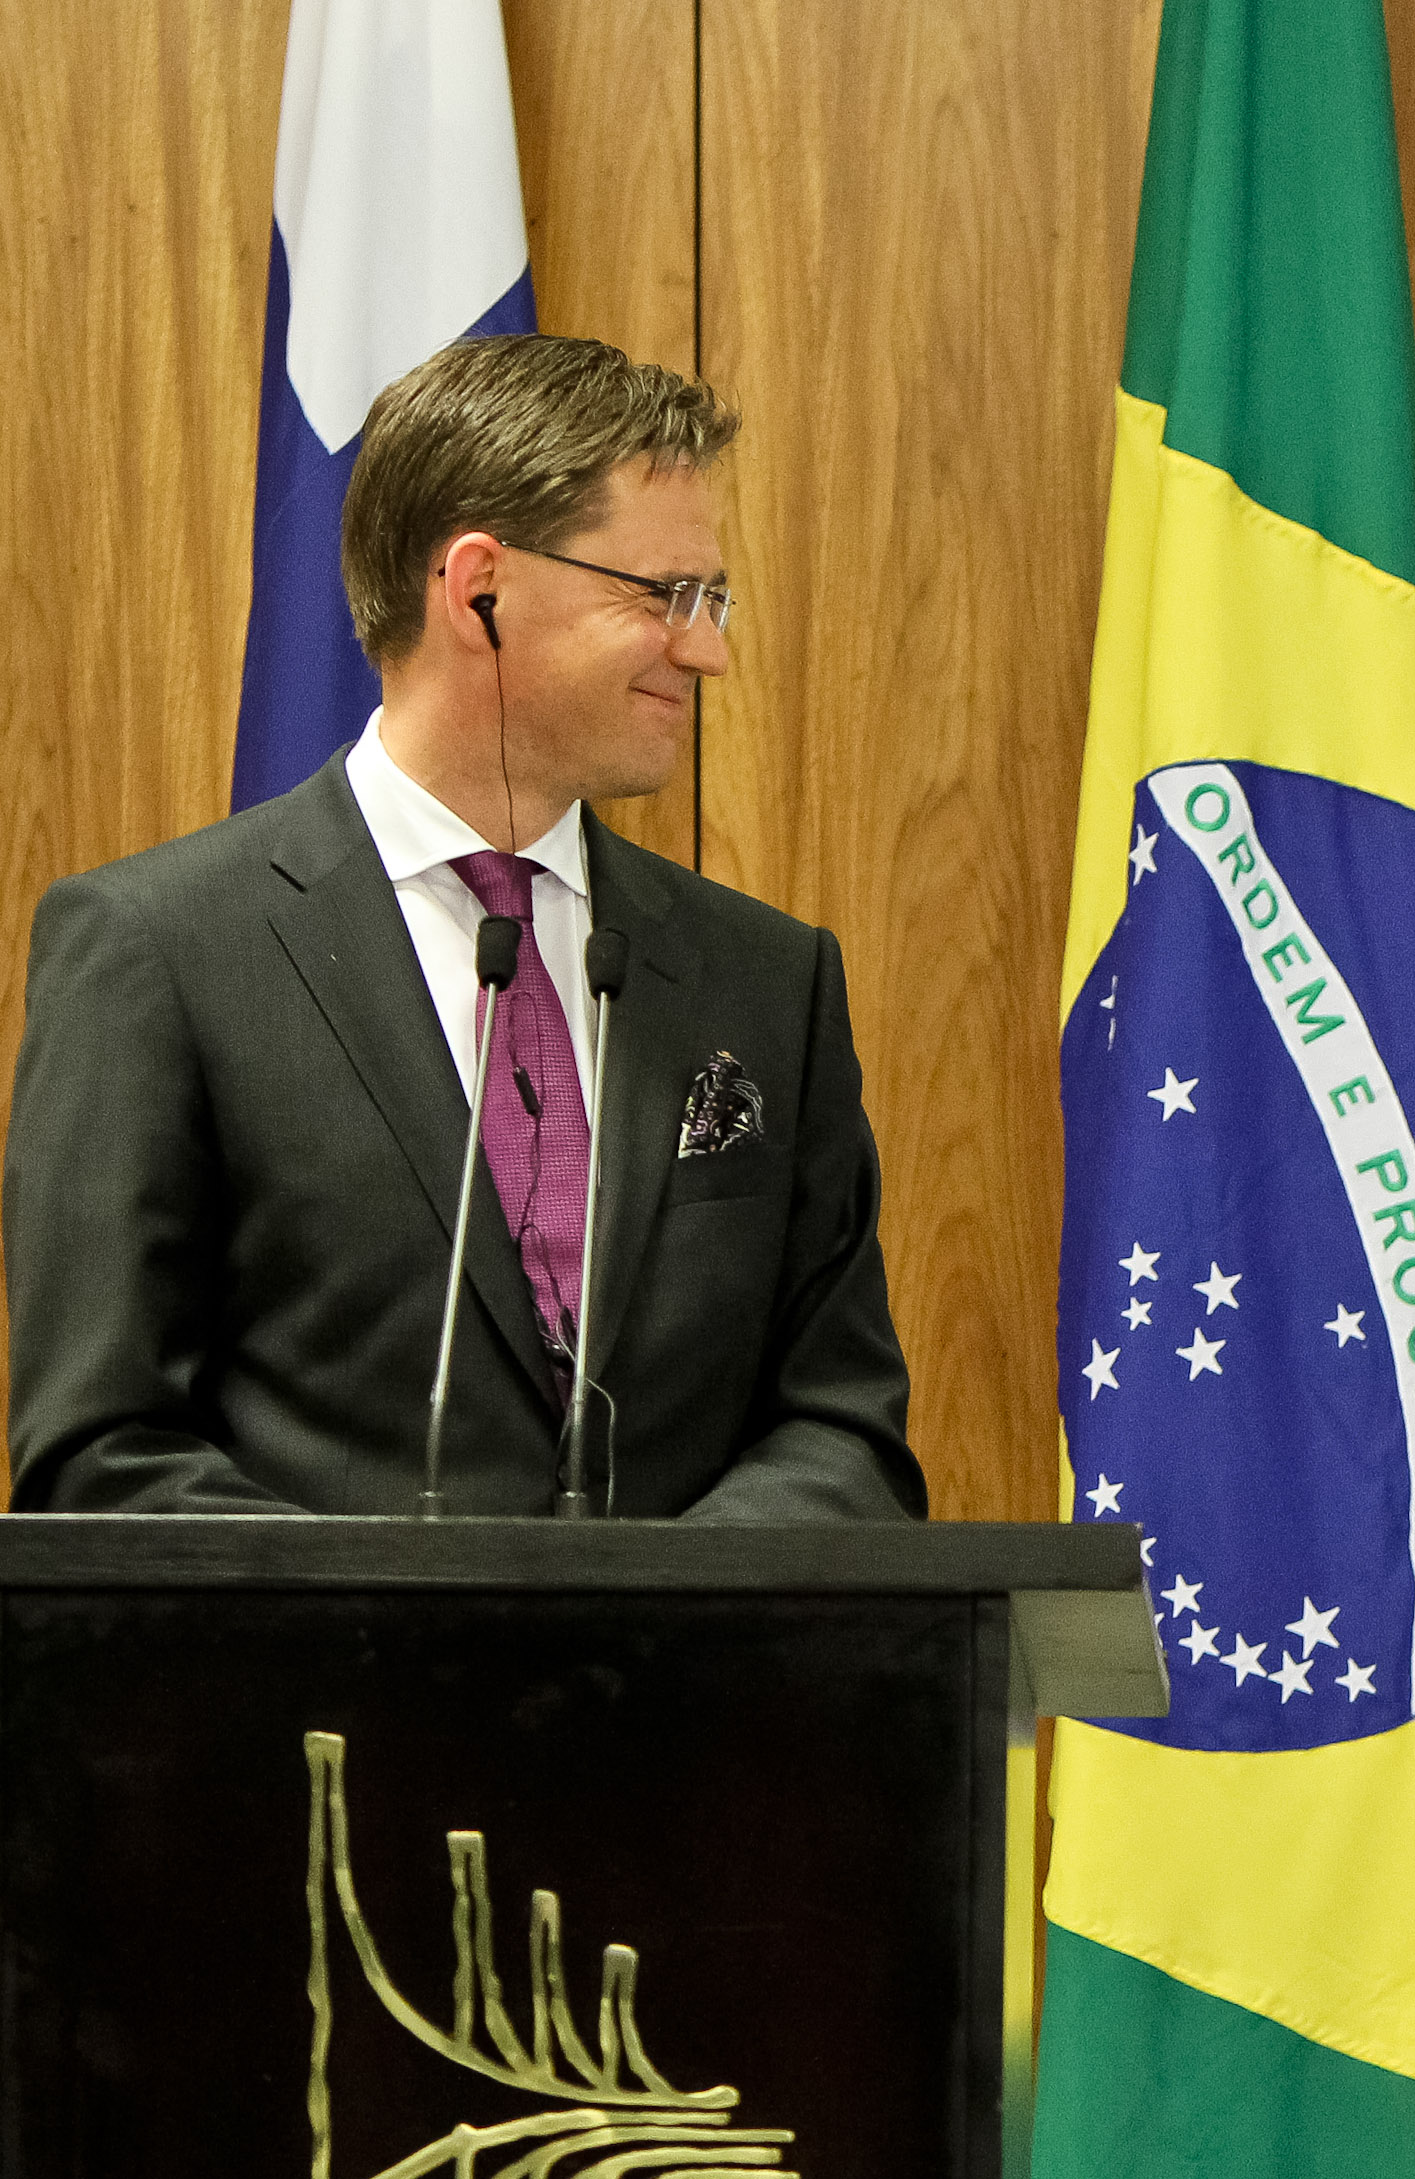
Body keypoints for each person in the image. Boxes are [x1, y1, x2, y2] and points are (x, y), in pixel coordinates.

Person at [5, 334, 925, 1519]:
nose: (709, 651)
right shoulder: (160, 952)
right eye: (665, 597)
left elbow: (841, 1425)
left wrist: (665, 1622)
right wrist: (434, 1650)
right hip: (324, 1702)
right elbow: (102, 1457)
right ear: (479, 587)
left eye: (713, 600)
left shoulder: (766, 978)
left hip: (689, 1696)